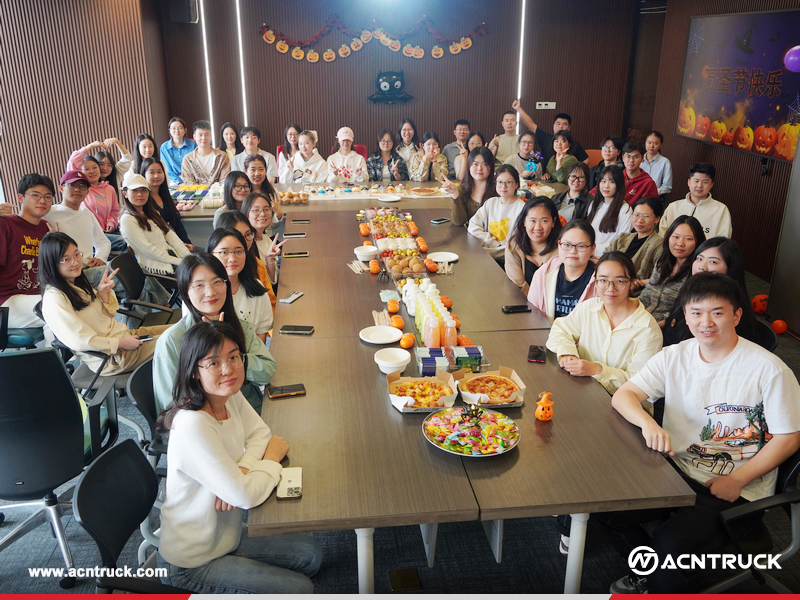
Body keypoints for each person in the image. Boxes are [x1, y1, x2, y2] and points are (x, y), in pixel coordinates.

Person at [602, 273, 800, 595]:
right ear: (685, 315)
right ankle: (652, 576)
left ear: (737, 315)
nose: (705, 322)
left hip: (735, 487)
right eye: (696, 312)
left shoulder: (770, 369)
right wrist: (649, 423)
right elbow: (623, 395)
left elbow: (789, 437)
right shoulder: (675, 355)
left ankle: (664, 581)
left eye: (717, 312)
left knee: (670, 545)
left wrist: (736, 480)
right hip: (676, 470)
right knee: (606, 509)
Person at [156, 320, 321, 594]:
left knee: (312, 555)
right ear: (194, 372)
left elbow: (260, 433)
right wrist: (271, 459)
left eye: (234, 357)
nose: (228, 369)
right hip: (192, 562)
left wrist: (243, 469)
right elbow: (245, 496)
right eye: (213, 363)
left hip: (227, 536)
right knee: (300, 589)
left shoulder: (226, 393)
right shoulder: (193, 424)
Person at [152, 253, 277, 413]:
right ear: (186, 292)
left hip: (250, 413)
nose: (210, 292)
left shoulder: (240, 326)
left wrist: (234, 354)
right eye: (199, 286)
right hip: (207, 425)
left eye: (217, 282)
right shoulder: (172, 340)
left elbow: (267, 372)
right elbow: (170, 406)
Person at [39, 232, 168, 374]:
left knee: (180, 329)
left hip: (123, 337)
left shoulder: (76, 284)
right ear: (51, 263)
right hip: (112, 357)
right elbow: (79, 340)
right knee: (179, 340)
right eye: (66, 259)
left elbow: (108, 315)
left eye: (76, 254)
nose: (75, 262)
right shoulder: (54, 298)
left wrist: (102, 293)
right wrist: (121, 343)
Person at [547, 251, 662, 393]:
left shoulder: (648, 329)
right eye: (603, 280)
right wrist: (567, 353)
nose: (610, 289)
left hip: (621, 406)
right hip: (582, 391)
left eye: (619, 281)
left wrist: (597, 370)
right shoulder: (589, 307)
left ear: (632, 283)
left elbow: (639, 383)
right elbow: (561, 329)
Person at [662, 237, 758, 346]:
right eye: (699, 259)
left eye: (713, 261)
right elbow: (673, 322)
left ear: (730, 267)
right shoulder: (692, 292)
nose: (702, 266)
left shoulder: (730, 311)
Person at [0, 173, 53, 330]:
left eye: (48, 196)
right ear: (20, 198)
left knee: (78, 303)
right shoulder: (5, 224)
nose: (42, 201)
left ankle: (55, 354)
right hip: (7, 301)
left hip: (39, 295)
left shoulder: (46, 228)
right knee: (58, 311)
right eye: (35, 195)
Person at [47, 171, 115, 291]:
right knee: (125, 277)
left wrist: (100, 257)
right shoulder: (49, 213)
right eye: (72, 185)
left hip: (89, 267)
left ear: (87, 192)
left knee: (133, 270)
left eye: (82, 186)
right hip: (71, 273)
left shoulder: (86, 213)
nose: (77, 189)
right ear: (61, 188)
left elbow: (103, 241)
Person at [207, 228, 272, 344]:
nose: (232, 259)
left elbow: (261, 334)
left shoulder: (257, 288)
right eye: (224, 252)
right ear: (210, 255)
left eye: (238, 252)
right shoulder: (200, 293)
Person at [638, 215, 705, 325]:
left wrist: (650, 327)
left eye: (688, 239)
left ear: (698, 243)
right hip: (645, 319)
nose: (680, 243)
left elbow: (682, 316)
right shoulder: (662, 262)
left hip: (668, 329)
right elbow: (647, 294)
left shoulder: (697, 271)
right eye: (676, 237)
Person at [118, 173, 191, 275]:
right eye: (134, 190)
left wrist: (188, 257)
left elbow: (171, 236)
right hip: (156, 269)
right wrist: (180, 262)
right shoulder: (127, 220)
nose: (140, 194)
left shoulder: (152, 213)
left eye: (143, 190)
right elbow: (148, 250)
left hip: (171, 258)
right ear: (125, 193)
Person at [527, 220, 597, 322]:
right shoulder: (543, 273)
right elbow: (533, 314)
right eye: (567, 245)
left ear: (592, 249)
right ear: (559, 244)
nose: (573, 251)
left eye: (581, 246)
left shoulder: (602, 279)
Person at [216, 210, 277, 313]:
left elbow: (271, 303)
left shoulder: (257, 265)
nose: (245, 241)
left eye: (248, 234)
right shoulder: (211, 272)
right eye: (238, 235)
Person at [504, 197, 562, 295]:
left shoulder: (563, 248)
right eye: (532, 220)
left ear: (553, 222)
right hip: (522, 304)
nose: (538, 227)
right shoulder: (513, 246)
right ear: (524, 222)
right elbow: (518, 285)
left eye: (544, 221)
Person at [468, 165, 525, 260]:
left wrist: (499, 249)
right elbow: (473, 226)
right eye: (500, 182)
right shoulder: (491, 203)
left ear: (516, 184)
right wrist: (492, 242)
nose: (503, 186)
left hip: (510, 259)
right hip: (485, 255)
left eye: (509, 182)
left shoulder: (522, 208)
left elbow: (520, 243)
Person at [607, 196, 663, 292]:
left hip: (636, 293)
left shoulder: (659, 244)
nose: (640, 220)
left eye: (646, 216)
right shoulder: (622, 238)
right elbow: (606, 257)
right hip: (610, 285)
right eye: (636, 214)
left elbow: (661, 277)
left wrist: (639, 282)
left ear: (657, 219)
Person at [661, 163, 732, 238]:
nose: (699, 186)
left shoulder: (721, 210)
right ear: (689, 182)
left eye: (705, 182)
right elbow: (662, 236)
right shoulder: (673, 207)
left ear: (711, 185)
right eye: (696, 181)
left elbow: (723, 241)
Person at [514, 101, 590, 165]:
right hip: (545, 178)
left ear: (569, 127)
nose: (561, 127)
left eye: (564, 124)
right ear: (553, 126)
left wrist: (574, 174)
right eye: (558, 124)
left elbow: (586, 160)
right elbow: (530, 124)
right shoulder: (545, 138)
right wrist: (518, 108)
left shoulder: (574, 143)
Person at [140, 157, 193, 249]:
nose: (156, 176)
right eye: (151, 172)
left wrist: (186, 242)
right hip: (159, 248)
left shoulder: (165, 196)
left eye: (159, 171)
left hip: (174, 244)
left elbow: (176, 222)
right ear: (144, 175)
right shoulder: (143, 200)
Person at [66, 148, 118, 234]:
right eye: (86, 169)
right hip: (88, 233)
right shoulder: (81, 189)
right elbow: (73, 161)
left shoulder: (109, 189)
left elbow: (114, 211)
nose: (92, 171)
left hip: (107, 232)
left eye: (94, 167)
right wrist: (91, 146)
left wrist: (111, 222)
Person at [440, 146, 496, 226]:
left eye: (485, 164)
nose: (479, 168)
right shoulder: (462, 189)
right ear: (469, 166)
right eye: (475, 164)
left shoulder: (498, 189)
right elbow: (458, 222)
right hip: (468, 236)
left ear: (491, 167)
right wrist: (455, 194)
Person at [586, 165, 633, 257]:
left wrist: (591, 248)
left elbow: (620, 243)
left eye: (611, 182)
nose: (606, 186)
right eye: (603, 181)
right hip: (589, 253)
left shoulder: (625, 210)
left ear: (619, 185)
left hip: (608, 257)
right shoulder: (594, 204)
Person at [241, 192, 283, 286]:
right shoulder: (245, 243)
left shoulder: (266, 239)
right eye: (256, 210)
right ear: (246, 213)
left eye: (266, 209)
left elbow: (272, 281)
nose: (262, 214)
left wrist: (270, 260)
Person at [180, 120, 231, 185]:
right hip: (197, 194)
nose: (203, 138)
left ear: (211, 136)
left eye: (206, 134)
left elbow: (224, 180)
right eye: (200, 135)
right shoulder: (188, 159)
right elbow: (189, 183)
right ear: (194, 137)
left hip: (219, 194)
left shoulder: (222, 156)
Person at [246, 155, 283, 238]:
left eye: (261, 169)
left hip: (267, 238)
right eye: (252, 170)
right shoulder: (243, 193)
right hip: (247, 239)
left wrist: (279, 214)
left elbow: (271, 226)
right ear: (246, 171)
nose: (257, 173)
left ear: (266, 171)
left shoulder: (272, 192)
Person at [160, 117, 197, 186]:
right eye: (173, 128)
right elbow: (167, 169)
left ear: (185, 130)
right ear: (169, 130)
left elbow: (197, 165)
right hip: (173, 180)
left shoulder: (193, 144)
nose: (177, 131)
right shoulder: (164, 147)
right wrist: (180, 182)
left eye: (180, 128)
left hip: (192, 178)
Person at [640, 130, 673, 198]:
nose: (651, 146)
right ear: (645, 143)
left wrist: (652, 193)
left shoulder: (665, 162)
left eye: (655, 143)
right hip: (637, 195)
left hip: (654, 198)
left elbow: (667, 186)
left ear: (660, 145)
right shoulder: (639, 159)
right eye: (649, 142)